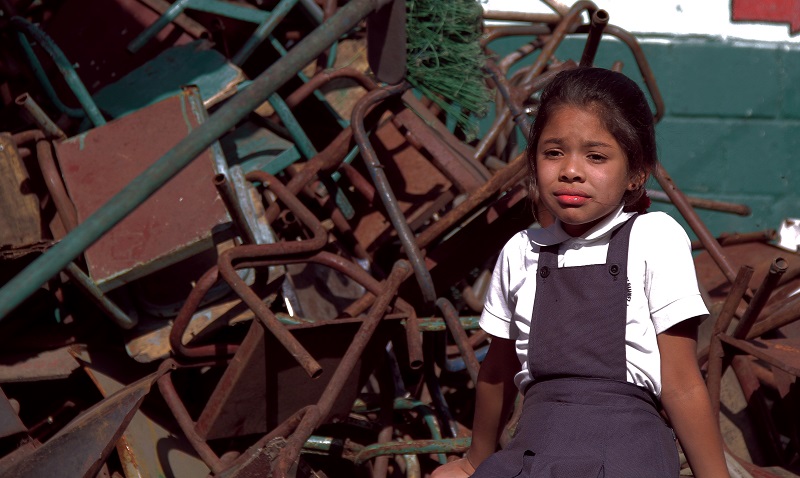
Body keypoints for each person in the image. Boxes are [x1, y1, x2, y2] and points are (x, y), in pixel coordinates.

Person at [432, 67, 729, 477]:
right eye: (553, 152)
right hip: (534, 454)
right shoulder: (521, 251)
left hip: (626, 457)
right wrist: (475, 461)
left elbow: (681, 381)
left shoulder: (653, 237)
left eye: (596, 156)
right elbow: (497, 370)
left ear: (637, 172)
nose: (571, 171)